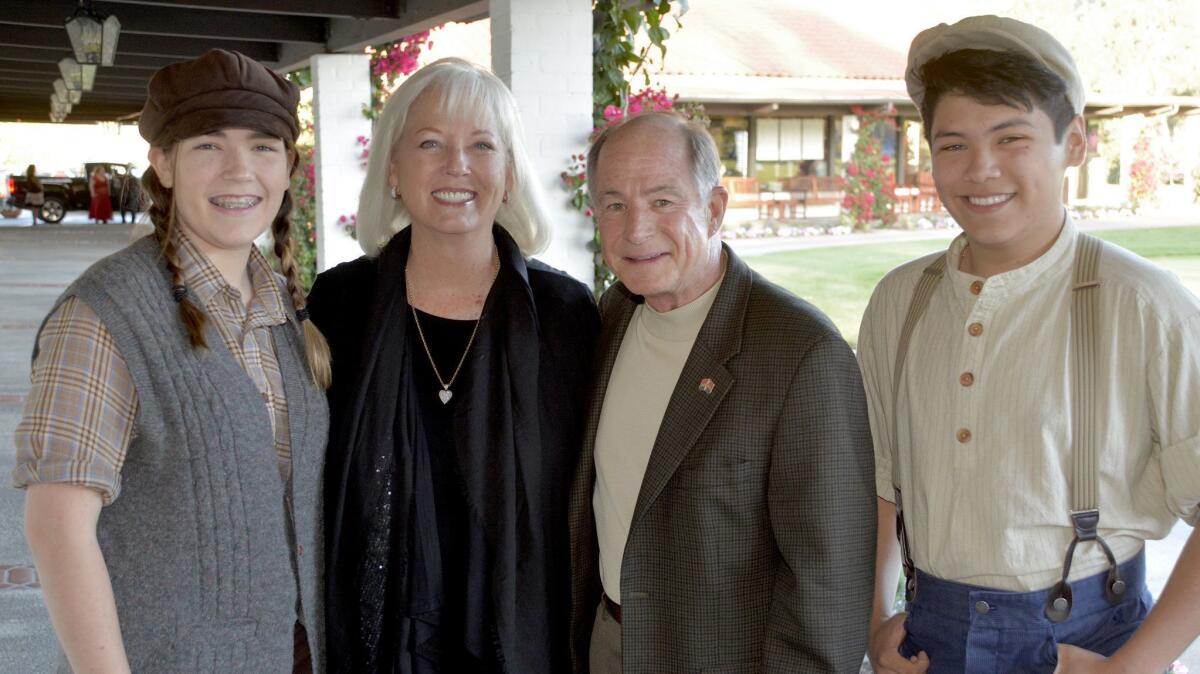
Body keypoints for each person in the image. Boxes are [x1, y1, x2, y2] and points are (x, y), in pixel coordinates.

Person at [860, 16, 1200, 674]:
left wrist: (1131, 667)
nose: (980, 169)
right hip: (930, 640)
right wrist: (877, 623)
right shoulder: (902, 302)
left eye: (1011, 137)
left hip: (1087, 646)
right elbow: (881, 484)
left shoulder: (1143, 304)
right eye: (952, 145)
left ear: (1074, 142)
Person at [14, 49, 331, 673]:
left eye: (263, 147)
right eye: (209, 145)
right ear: (162, 163)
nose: (240, 170)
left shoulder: (284, 313)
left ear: (288, 165)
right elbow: (57, 529)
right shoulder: (105, 316)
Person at [307, 57, 598, 673]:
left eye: (482, 145)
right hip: (378, 641)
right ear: (392, 168)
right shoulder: (339, 305)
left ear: (510, 172)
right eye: (430, 142)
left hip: (524, 641)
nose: (456, 165)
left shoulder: (566, 315)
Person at [567, 111, 876, 674]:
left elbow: (829, 587)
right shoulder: (610, 316)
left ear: (714, 209)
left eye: (663, 201)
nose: (636, 229)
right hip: (609, 643)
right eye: (615, 205)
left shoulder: (801, 353)